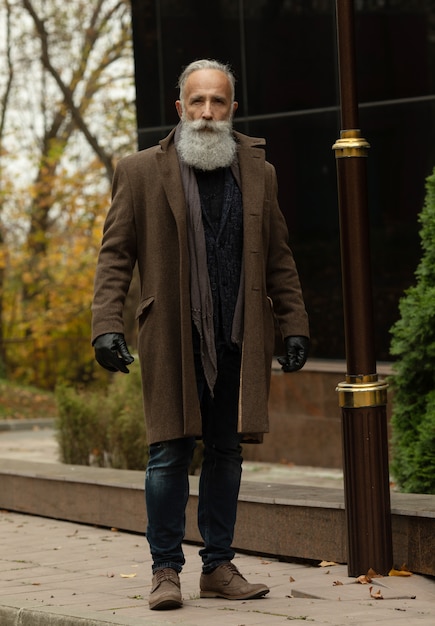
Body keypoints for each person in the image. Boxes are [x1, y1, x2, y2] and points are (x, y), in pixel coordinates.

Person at [92, 59, 309, 611]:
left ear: (234, 107)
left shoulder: (261, 171)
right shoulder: (139, 170)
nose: (207, 113)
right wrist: (106, 324)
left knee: (226, 451)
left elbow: (280, 258)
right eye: (197, 102)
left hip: (240, 335)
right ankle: (165, 571)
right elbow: (115, 255)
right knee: (168, 454)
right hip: (172, 335)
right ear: (179, 108)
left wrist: (294, 324)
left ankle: (218, 567)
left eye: (218, 102)